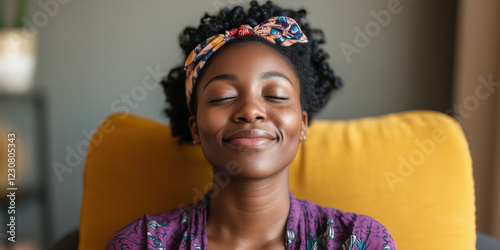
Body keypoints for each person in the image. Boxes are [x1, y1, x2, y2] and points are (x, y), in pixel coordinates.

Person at [106, 1, 397, 249]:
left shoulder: (359, 240)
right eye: (224, 97)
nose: (251, 111)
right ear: (194, 127)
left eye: (275, 95)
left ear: (303, 123)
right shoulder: (140, 243)